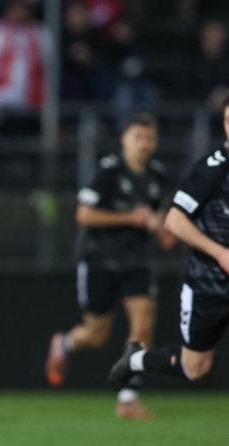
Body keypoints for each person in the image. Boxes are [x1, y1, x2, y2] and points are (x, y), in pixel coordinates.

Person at [45, 114, 173, 419]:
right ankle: (64, 343)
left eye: (149, 138)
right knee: (96, 333)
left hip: (136, 261)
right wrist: (132, 217)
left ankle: (128, 396)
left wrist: (162, 229)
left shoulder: (157, 175)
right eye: (138, 137)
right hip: (99, 259)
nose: (144, 144)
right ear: (124, 141)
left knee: (143, 324)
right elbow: (84, 215)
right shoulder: (108, 171)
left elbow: (162, 226)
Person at [108, 95, 229, 391]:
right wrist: (221, 253)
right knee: (195, 367)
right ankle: (136, 361)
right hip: (210, 281)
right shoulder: (214, 169)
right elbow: (174, 221)